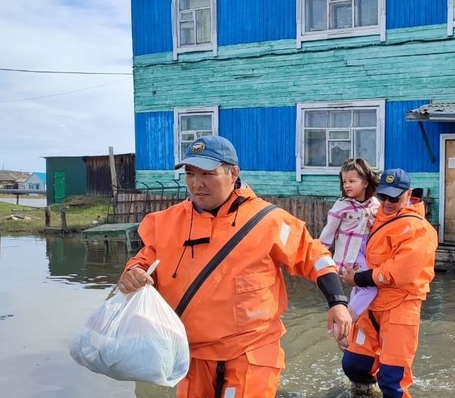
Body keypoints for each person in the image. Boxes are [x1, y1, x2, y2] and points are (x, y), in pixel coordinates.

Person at [117, 135, 352, 398]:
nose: (197, 183)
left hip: (251, 350)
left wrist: (338, 301)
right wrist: (132, 274)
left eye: (208, 173)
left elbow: (313, 255)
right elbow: (143, 261)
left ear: (233, 173)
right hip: (192, 354)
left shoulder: (268, 221)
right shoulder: (166, 223)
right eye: (190, 173)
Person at [339, 168, 438, 398]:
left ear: (408, 194)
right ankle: (366, 392)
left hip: (400, 306)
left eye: (394, 197)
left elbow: (401, 271)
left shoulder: (418, 229)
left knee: (393, 381)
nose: (388, 202)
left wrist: (358, 278)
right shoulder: (373, 216)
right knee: (353, 364)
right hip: (370, 304)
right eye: (383, 196)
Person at [319, 158, 381, 344]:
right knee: (371, 287)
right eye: (344, 181)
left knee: (359, 288)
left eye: (352, 181)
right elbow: (328, 233)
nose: (347, 185)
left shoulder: (375, 204)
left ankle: (352, 335)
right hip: (349, 256)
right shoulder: (342, 206)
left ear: (365, 182)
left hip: (366, 253)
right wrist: (320, 255)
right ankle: (344, 325)